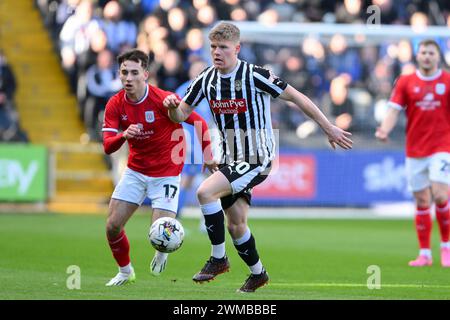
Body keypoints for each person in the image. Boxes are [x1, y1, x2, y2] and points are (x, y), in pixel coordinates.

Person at [164, 22, 353, 293]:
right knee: (237, 224)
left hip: (257, 156)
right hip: (229, 158)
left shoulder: (255, 75)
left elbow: (297, 97)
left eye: (223, 47)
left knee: (205, 192)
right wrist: (171, 108)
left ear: (237, 49)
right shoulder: (205, 79)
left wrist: (328, 127)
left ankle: (218, 259)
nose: (217, 52)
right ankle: (258, 274)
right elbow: (180, 115)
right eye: (213, 47)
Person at [102, 49, 212, 286]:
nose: (128, 78)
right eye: (124, 73)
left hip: (166, 174)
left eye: (134, 72)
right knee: (112, 226)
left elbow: (199, 121)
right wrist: (123, 135)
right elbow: (108, 147)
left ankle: (162, 251)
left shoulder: (164, 99)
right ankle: (125, 271)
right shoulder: (115, 104)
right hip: (135, 171)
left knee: (161, 230)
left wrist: (208, 154)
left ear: (145, 74)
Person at [375, 39, 450, 268]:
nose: (427, 56)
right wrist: (384, 129)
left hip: (443, 147)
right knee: (421, 201)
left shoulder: (447, 80)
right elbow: (394, 109)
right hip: (415, 149)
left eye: (431, 53)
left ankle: (446, 247)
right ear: (418, 56)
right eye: (424, 52)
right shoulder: (407, 81)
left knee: (439, 194)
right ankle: (425, 254)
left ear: (438, 56)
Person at [175, 60, 213, 226]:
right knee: (186, 180)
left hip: (205, 141)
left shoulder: (210, 90)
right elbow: (175, 116)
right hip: (187, 142)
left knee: (204, 180)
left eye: (201, 69)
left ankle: (207, 221)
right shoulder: (184, 89)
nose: (197, 72)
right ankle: (174, 218)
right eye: (195, 68)